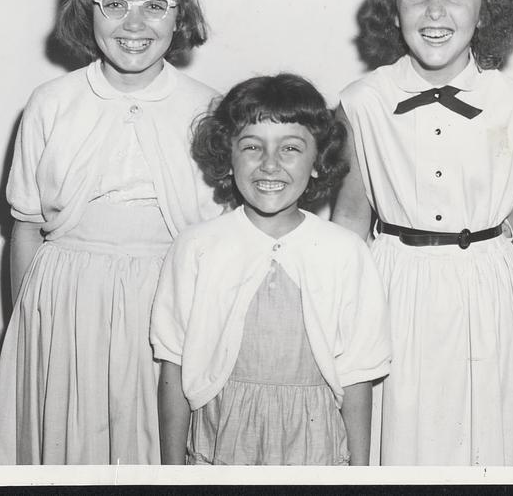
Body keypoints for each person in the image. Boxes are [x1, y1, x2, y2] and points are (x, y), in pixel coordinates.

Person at [333, 0, 513, 466]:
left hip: (481, 292)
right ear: (393, 10)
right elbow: (348, 217)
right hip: (392, 287)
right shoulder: (361, 101)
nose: (436, 12)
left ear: (485, 11)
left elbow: (510, 226)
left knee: (484, 434)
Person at [0, 0, 221, 465]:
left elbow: (222, 241)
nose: (134, 24)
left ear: (181, 12)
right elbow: (26, 225)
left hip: (168, 299)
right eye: (113, 3)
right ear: (84, 8)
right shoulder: (50, 103)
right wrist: (29, 330)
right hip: (65, 302)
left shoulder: (209, 108)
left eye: (156, 5)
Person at [150, 74, 391, 466]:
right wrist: (173, 476)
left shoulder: (344, 252)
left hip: (315, 450)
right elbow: (173, 370)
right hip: (222, 445)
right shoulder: (196, 247)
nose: (270, 164)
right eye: (251, 147)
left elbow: (358, 379)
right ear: (228, 156)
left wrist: (359, 478)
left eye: (291, 148)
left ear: (318, 162)